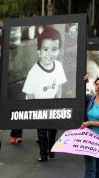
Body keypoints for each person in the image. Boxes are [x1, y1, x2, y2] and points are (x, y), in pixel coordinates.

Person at [22, 27, 67, 162]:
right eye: (46, 49)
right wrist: (33, 110)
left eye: (54, 49)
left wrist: (58, 103)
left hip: (52, 105)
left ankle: (51, 148)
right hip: (39, 106)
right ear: (39, 51)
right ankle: (43, 153)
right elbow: (29, 93)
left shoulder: (58, 66)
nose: (50, 54)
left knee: (52, 129)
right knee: (42, 132)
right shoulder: (34, 72)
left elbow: (59, 86)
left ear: (59, 50)